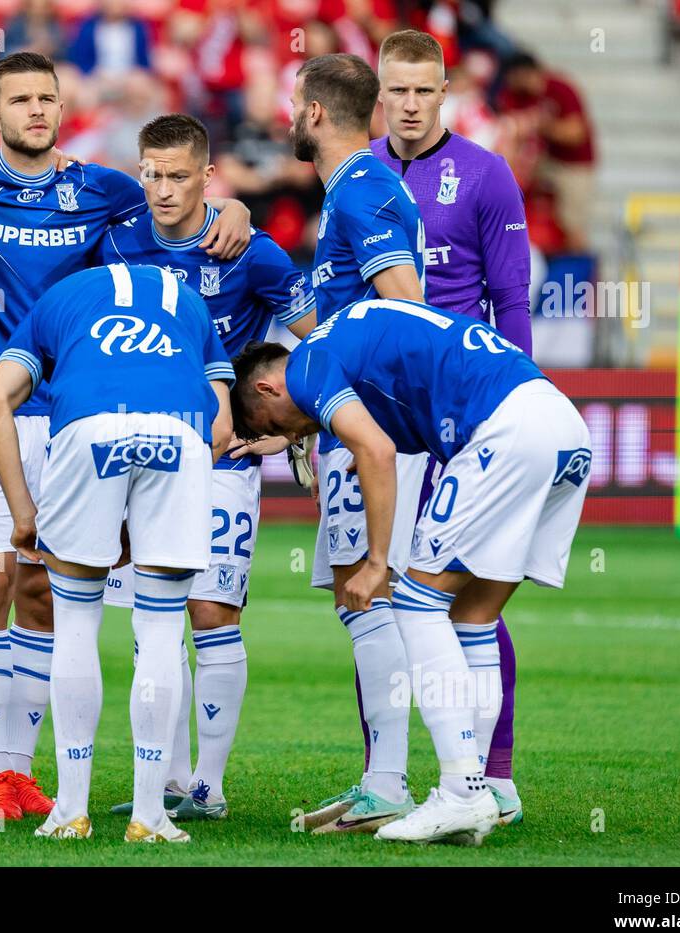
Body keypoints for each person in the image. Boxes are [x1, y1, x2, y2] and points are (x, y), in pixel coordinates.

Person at [0, 51, 253, 821]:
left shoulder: (102, 189)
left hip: (71, 416)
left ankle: (32, 772)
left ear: (62, 109)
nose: (36, 110)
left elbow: (181, 216)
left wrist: (233, 209)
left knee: (45, 588)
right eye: (21, 99)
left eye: (48, 98)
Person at [230, 296, 592, 844]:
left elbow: (374, 449)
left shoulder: (306, 365)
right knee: (474, 617)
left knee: (420, 602)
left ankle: (461, 793)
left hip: (505, 429)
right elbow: (393, 420)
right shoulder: (345, 341)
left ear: (266, 389)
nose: (296, 435)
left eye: (272, 426)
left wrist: (377, 563)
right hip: (562, 425)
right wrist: (363, 444)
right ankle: (489, 790)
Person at [99, 113, 316, 820]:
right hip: (139, 456)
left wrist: (297, 425)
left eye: (178, 176)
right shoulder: (117, 240)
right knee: (150, 621)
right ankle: (166, 777)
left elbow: (323, 342)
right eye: (152, 175)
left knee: (213, 612)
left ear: (207, 176)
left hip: (220, 458)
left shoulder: (253, 253)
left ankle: (209, 787)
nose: (163, 190)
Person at [0, 263, 235, 843]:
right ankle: (150, 813)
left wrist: (24, 514)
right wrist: (144, 517)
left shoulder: (56, 296)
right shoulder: (190, 301)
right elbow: (221, 428)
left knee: (74, 622)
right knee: (163, 629)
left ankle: (70, 809)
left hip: (88, 429)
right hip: (181, 433)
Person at [371, 28, 531, 825]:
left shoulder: (487, 175)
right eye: (396, 89)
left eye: (423, 91)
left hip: (466, 418)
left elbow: (514, 304)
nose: (409, 104)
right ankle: (393, 774)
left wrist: (512, 399)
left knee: (466, 597)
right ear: (379, 91)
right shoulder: (357, 173)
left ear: (444, 93)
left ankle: (492, 773)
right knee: (380, 602)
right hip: (381, 423)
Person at [286, 52, 426, 835]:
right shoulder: (355, 190)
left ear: (313, 113)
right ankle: (385, 776)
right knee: (368, 596)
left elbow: (406, 307)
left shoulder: (364, 191)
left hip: (375, 426)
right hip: (361, 421)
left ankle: (392, 782)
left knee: (370, 591)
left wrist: (360, 414)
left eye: (292, 104)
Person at [496, 52, 595, 254]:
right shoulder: (517, 95)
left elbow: (576, 134)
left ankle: (578, 274)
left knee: (572, 225)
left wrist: (541, 126)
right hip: (542, 160)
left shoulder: (560, 89)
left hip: (573, 163)